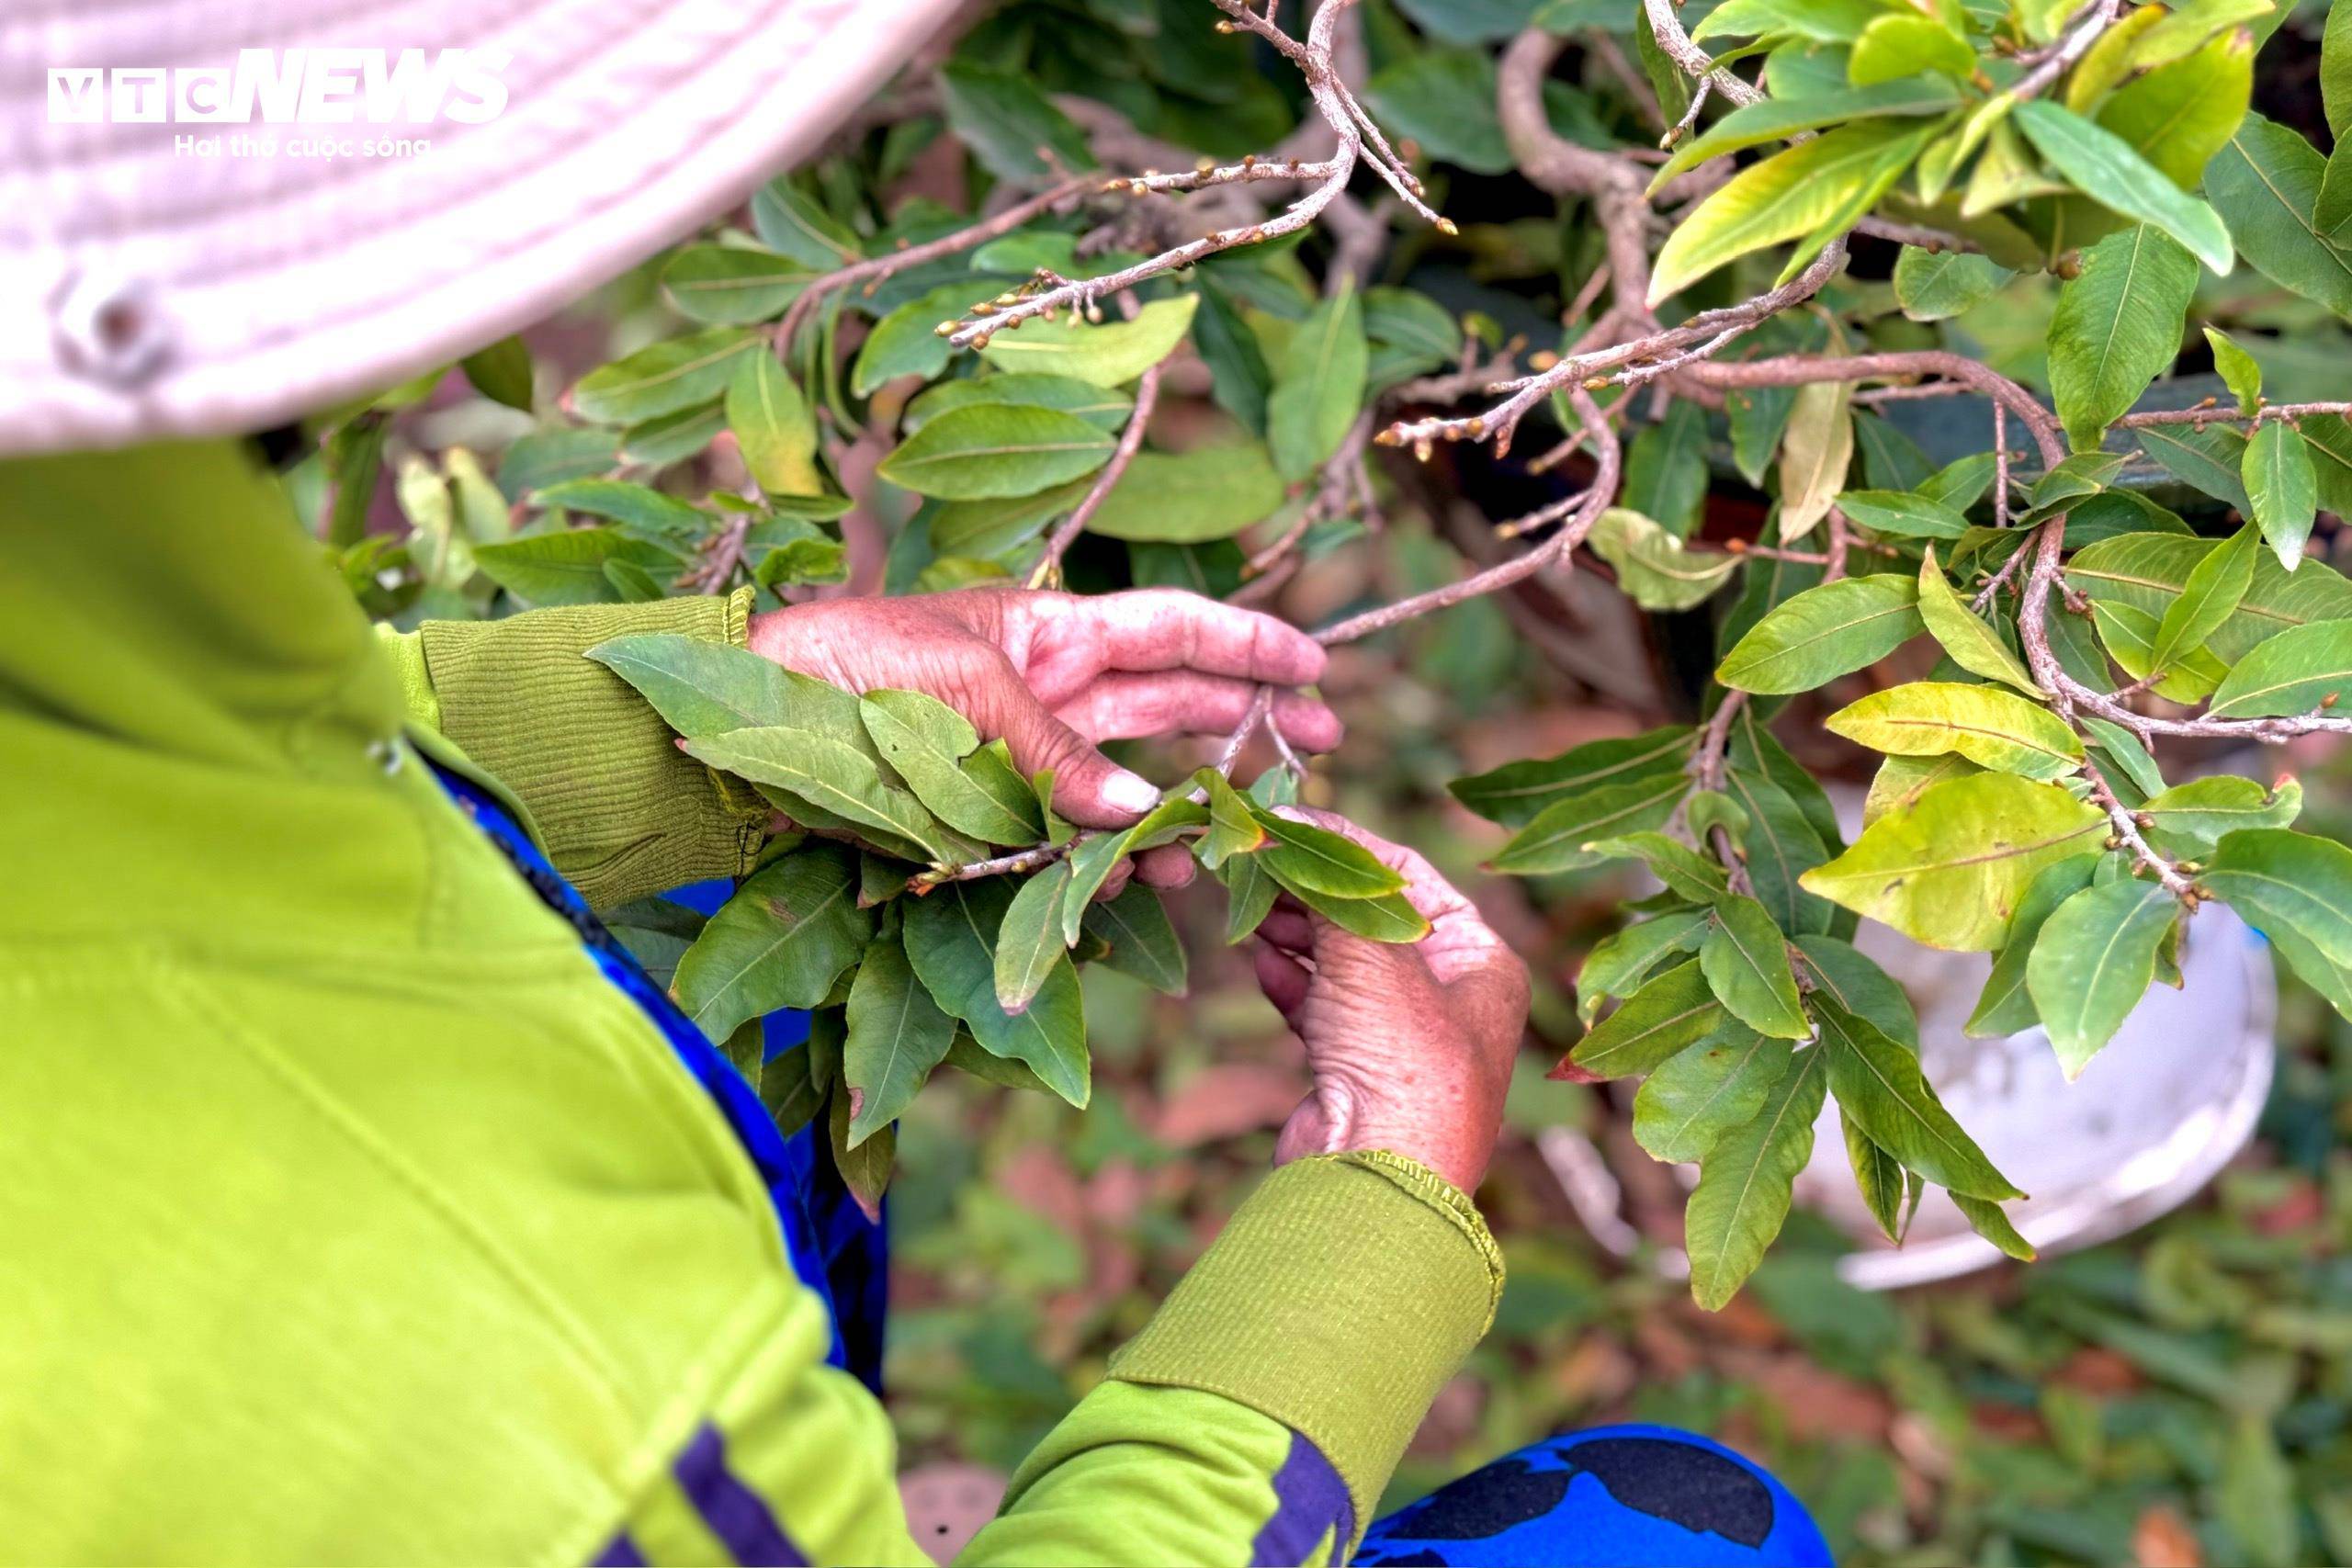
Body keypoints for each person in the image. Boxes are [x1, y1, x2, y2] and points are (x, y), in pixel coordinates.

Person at [0, 3, 1830, 1563]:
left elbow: (155, 706)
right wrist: (1371, 1198)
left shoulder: (70, 524)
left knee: (740, 919)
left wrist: (711, 714)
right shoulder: (528, 1380)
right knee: (1681, 1521)